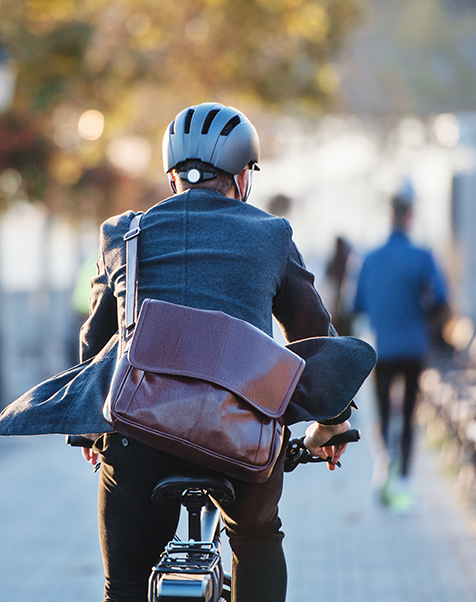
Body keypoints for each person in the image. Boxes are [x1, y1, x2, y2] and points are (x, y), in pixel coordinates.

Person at [77, 102, 358, 602]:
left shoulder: (123, 233)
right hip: (241, 433)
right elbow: (314, 338)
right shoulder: (271, 235)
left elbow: (95, 344)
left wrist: (89, 429)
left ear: (171, 179)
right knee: (255, 538)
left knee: (122, 585)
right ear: (244, 179)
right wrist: (331, 423)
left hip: (139, 434)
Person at [353, 192, 449, 508]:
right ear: (410, 218)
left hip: (381, 349)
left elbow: (358, 305)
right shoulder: (423, 257)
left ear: (388, 216)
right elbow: (441, 300)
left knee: (381, 412)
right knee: (408, 414)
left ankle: (383, 466)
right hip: (413, 347)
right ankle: (405, 480)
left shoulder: (370, 258)